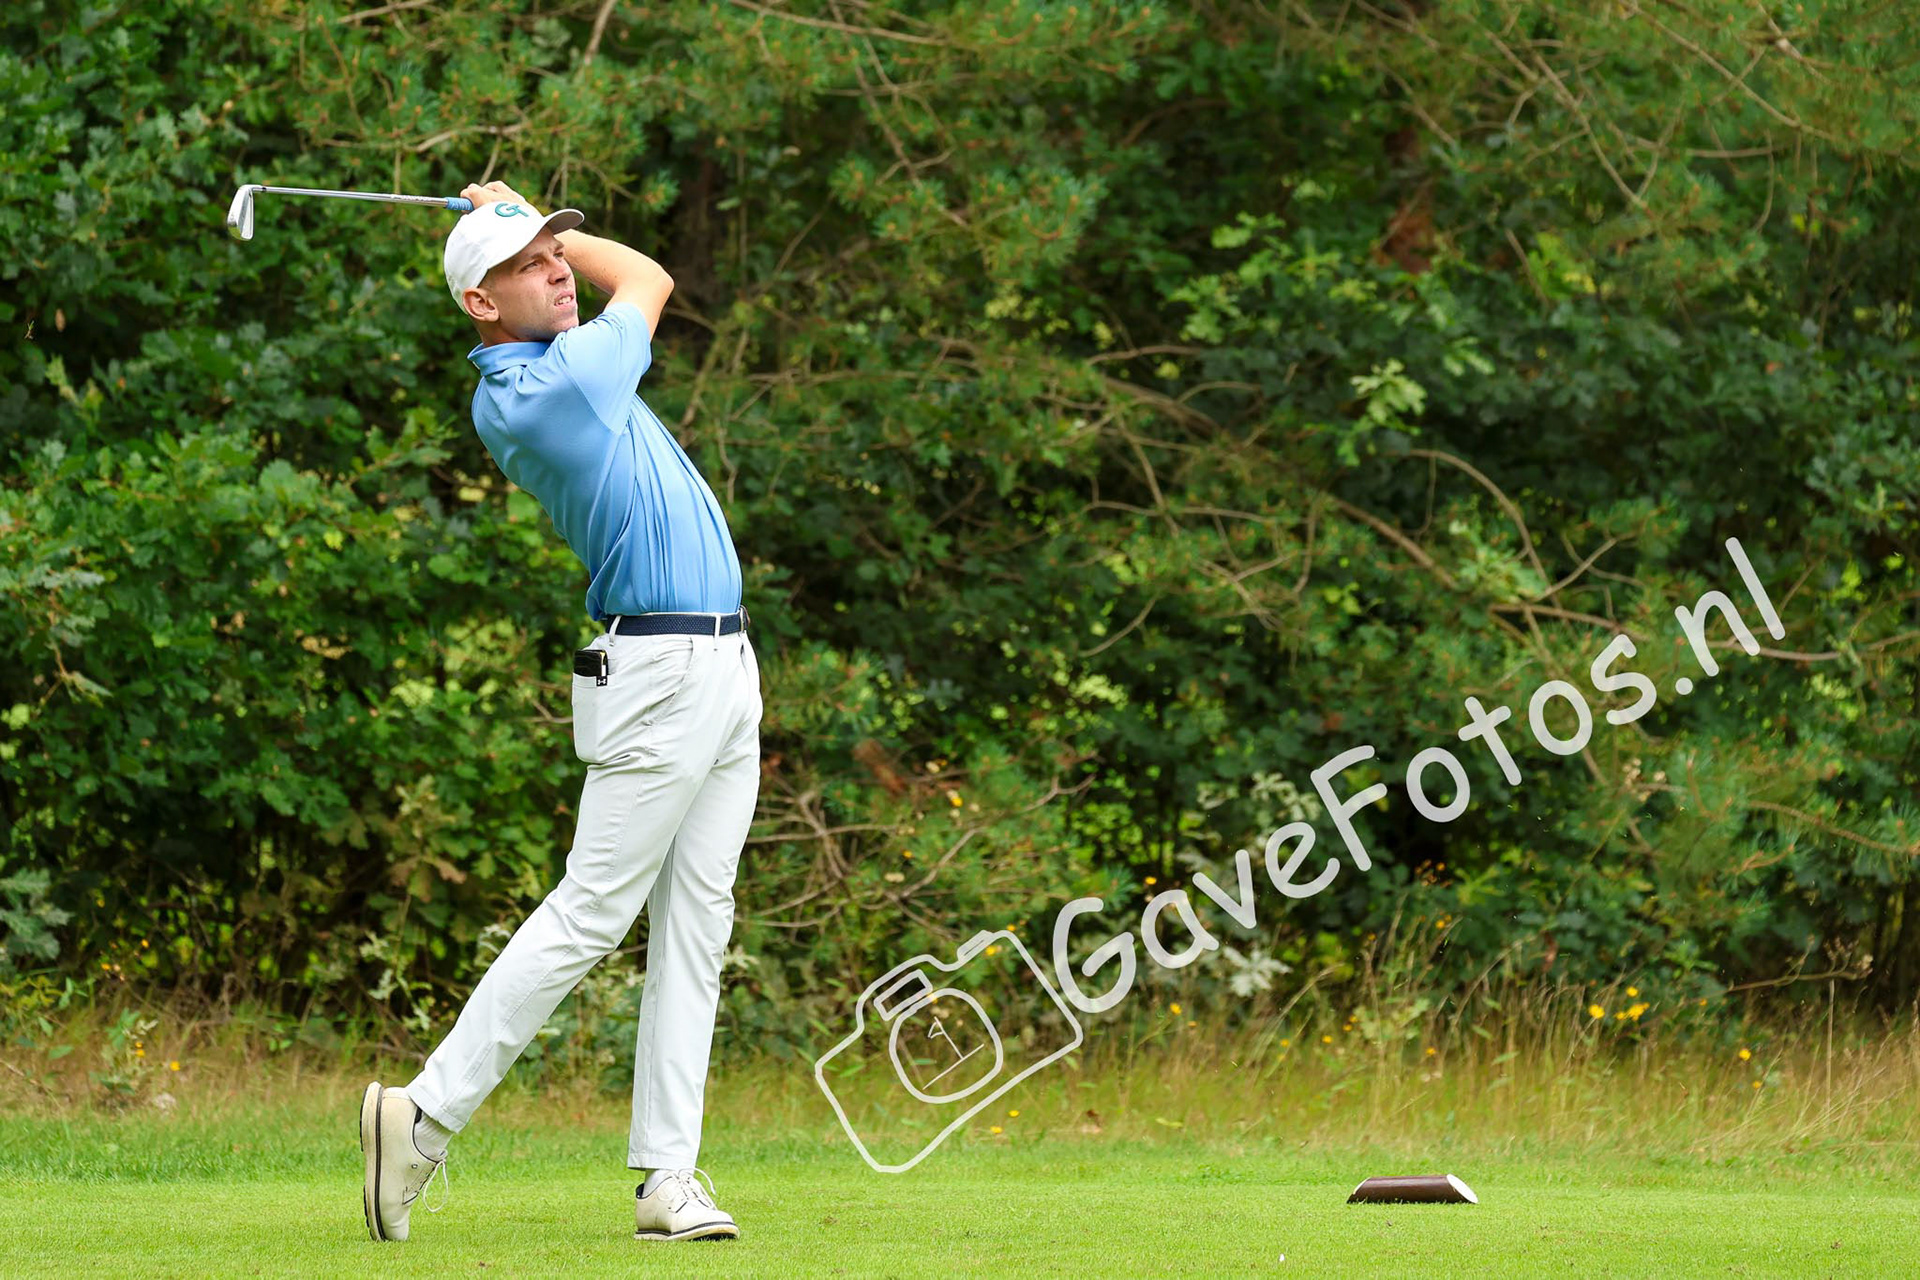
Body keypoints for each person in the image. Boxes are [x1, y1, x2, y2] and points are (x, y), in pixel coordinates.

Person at [359, 179, 760, 1245]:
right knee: (593, 909)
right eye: (530, 263)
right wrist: (541, 220)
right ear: (479, 306)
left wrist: (525, 225)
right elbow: (651, 276)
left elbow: (595, 283)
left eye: (556, 253)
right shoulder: (555, 387)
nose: (555, 268)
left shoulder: (556, 365)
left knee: (697, 919)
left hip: (722, 663)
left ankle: (668, 1175)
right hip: (664, 667)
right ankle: (423, 1113)